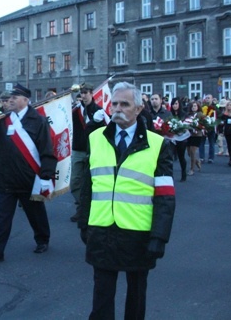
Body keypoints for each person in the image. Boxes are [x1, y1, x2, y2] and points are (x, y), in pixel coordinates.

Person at [79, 82, 175, 320]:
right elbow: (87, 187)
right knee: (101, 296)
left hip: (138, 233)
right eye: (114, 103)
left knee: (136, 295)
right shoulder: (96, 138)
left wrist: (159, 236)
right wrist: (84, 223)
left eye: (125, 104)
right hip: (101, 230)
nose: (117, 109)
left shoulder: (157, 144)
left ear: (139, 109)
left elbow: (165, 196)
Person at [0, 83, 57, 264]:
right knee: (2, 217)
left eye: (14, 97)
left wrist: (45, 177)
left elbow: (47, 151)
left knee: (35, 213)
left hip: (28, 178)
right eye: (10, 98)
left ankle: (42, 239)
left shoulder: (38, 121)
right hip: (6, 179)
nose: (10, 100)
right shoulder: (3, 119)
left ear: (26, 100)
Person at [70, 83, 102, 222]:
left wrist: (99, 121)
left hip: (93, 150)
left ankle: (87, 210)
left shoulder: (98, 110)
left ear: (91, 93)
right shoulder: (76, 110)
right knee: (75, 182)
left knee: (90, 182)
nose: (83, 95)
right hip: (78, 149)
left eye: (85, 92)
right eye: (81, 93)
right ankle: (82, 207)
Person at [170, 97, 188, 182]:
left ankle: (183, 173)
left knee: (181, 156)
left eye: (176, 104)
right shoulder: (169, 114)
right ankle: (170, 175)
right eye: (173, 104)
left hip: (182, 138)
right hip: (172, 138)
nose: (174, 106)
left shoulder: (184, 114)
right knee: (170, 157)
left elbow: (186, 126)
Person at [185, 101, 204, 176]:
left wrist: (198, 126)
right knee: (189, 153)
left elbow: (204, 124)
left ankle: (192, 169)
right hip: (189, 135)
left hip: (197, 135)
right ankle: (197, 161)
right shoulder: (188, 114)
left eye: (195, 106)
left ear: (198, 107)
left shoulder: (200, 115)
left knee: (193, 152)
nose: (194, 107)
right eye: (192, 106)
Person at [219, 100, 231, 167]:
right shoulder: (225, 114)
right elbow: (221, 123)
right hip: (227, 132)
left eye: (230, 105)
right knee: (229, 145)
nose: (229, 106)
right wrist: (221, 131)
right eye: (228, 105)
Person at [199, 94, 217, 164]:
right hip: (203, 128)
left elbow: (217, 117)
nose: (207, 99)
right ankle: (201, 157)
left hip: (211, 128)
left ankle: (211, 158)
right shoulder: (202, 107)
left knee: (212, 143)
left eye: (209, 98)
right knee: (201, 143)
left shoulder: (215, 108)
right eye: (206, 98)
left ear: (212, 99)